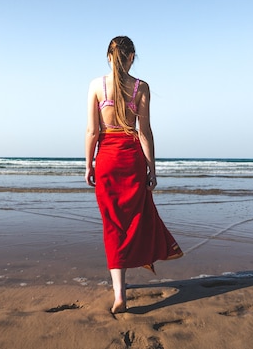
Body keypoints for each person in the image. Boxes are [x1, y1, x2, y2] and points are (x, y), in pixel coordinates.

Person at [85, 36, 183, 314]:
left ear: (108, 57)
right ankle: (134, 267)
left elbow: (93, 131)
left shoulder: (96, 86)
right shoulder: (141, 87)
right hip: (132, 160)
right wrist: (152, 166)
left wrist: (88, 164)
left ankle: (120, 294)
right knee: (137, 218)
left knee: (112, 225)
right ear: (131, 57)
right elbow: (144, 132)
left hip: (106, 161)